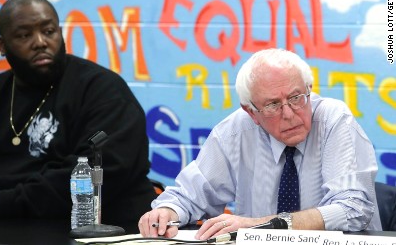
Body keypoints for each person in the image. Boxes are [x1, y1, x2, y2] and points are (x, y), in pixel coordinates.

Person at [0, 0, 156, 233]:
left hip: (93, 231)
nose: (40, 42)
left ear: (60, 34)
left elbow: (105, 168)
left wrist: (3, 202)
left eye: (49, 31)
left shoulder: (103, 90)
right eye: (24, 35)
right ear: (2, 46)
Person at [138, 48, 382, 240]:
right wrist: (167, 213)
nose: (289, 113)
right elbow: (189, 196)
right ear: (251, 112)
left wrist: (260, 226)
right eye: (273, 105)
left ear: (309, 89)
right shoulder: (234, 132)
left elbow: (353, 209)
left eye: (296, 98)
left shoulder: (333, 119)